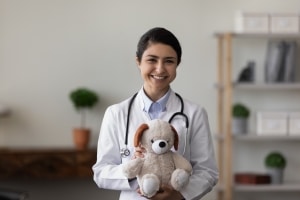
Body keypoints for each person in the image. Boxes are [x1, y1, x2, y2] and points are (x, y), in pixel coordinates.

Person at [92, 27, 218, 200]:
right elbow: (101, 172)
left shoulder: (195, 113)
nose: (160, 69)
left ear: (177, 64)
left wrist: (178, 194)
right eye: (152, 60)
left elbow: (208, 171)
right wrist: (138, 176)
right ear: (138, 61)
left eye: (169, 61)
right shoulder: (116, 113)